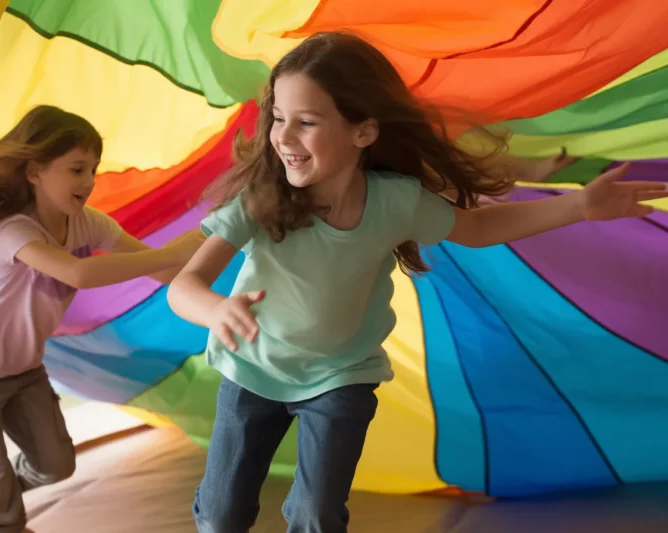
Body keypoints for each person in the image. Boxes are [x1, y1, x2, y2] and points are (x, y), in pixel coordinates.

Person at [166, 31, 667, 533]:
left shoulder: (395, 201)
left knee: (317, 514)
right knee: (222, 514)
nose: (283, 137)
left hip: (341, 374)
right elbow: (184, 286)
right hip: (253, 370)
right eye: (278, 118)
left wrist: (579, 206)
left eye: (307, 122)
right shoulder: (263, 200)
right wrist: (214, 310)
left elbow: (477, 228)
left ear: (363, 131)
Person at [0, 105, 204, 533]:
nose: (89, 181)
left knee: (56, 466)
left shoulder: (88, 225)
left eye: (93, 169)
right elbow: (78, 273)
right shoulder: (14, 230)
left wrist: (210, 242)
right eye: (77, 169)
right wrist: (171, 251)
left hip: (23, 369)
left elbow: (163, 272)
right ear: (35, 171)